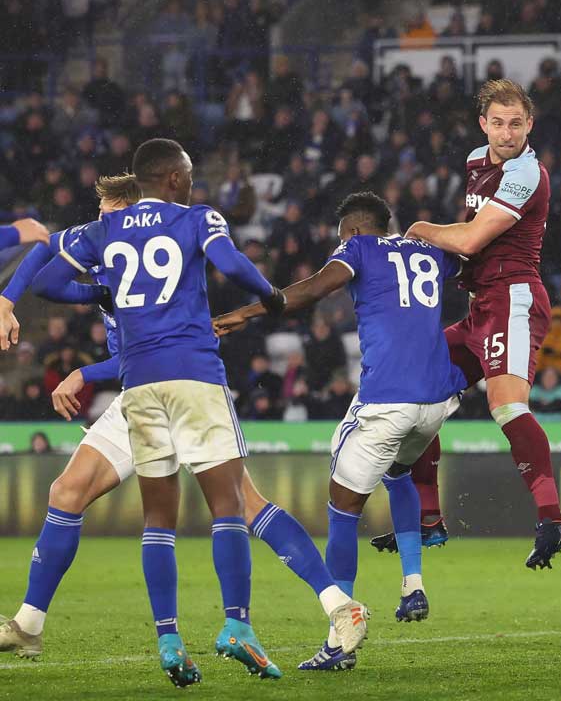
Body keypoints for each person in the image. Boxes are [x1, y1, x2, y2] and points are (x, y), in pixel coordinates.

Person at [0, 174, 367, 666]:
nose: (102, 221)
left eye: (109, 211)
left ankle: (336, 605)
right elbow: (43, 252)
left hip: (177, 382)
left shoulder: (145, 243)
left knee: (242, 504)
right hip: (141, 395)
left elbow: (68, 285)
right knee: (67, 492)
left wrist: (84, 367)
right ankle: (29, 624)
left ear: (133, 208)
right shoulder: (114, 250)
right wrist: (30, 298)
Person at [29, 139, 305, 686]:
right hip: (194, 374)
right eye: (191, 173)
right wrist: (271, 296)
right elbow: (230, 263)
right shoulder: (197, 217)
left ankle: (170, 637)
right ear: (175, 179)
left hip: (139, 385)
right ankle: (236, 626)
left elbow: (43, 281)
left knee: (158, 518)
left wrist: (97, 291)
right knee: (227, 505)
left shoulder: (106, 231)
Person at [213, 192, 466, 671]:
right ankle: (413, 585)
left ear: (349, 230)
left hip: (388, 397)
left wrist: (246, 314)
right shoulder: (430, 251)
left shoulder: (358, 249)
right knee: (398, 472)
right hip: (437, 400)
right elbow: (470, 259)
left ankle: (340, 635)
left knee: (342, 507)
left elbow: (308, 290)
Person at [376, 79, 561, 569]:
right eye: (498, 123)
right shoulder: (475, 161)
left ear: (529, 125)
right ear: (483, 124)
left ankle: (553, 519)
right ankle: (428, 522)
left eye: (516, 123)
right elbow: (466, 241)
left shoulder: (527, 173)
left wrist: (420, 231)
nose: (506, 133)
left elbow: (469, 240)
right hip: (479, 306)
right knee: (415, 385)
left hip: (514, 297)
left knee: (506, 407)